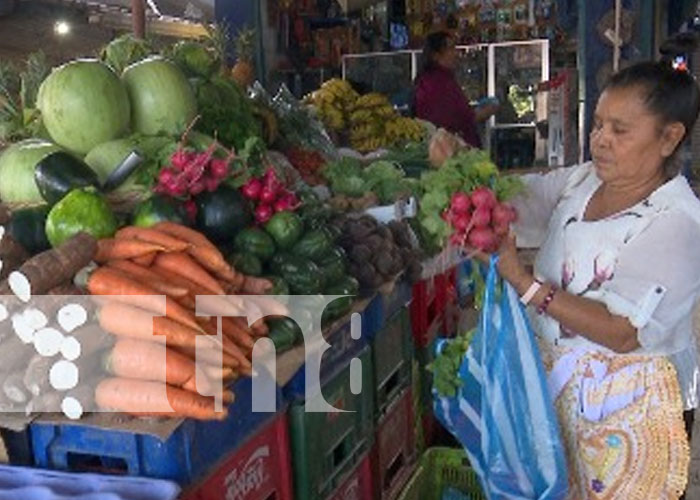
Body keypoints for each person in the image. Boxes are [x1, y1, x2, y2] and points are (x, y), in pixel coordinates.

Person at [463, 61, 700, 498]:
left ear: (670, 137)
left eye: (620, 130)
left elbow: (623, 331)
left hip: (631, 412)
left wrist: (526, 283)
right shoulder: (584, 181)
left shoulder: (676, 221)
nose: (600, 140)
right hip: (564, 395)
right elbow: (516, 201)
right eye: (597, 125)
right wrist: (464, 171)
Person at [414, 31, 497, 148]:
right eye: (451, 49)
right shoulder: (435, 83)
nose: (456, 53)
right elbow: (452, 121)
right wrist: (483, 113)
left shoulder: (442, 79)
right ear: (436, 56)